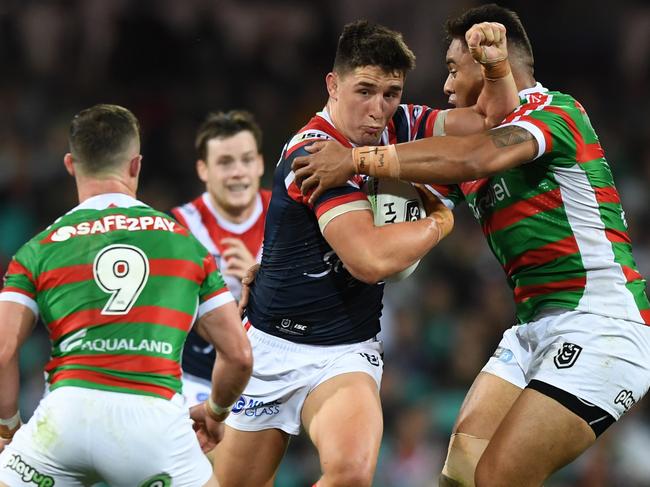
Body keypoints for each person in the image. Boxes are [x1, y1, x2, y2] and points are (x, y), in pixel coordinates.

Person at [292, 5, 650, 487]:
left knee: (499, 477)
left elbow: (476, 156)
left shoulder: (556, 113)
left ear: (488, 66)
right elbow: (397, 214)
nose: (444, 85)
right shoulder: (468, 148)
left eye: (453, 69)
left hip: (603, 324)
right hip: (532, 329)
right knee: (461, 473)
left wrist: (358, 157)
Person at [213, 20, 518, 487]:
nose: (378, 111)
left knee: (351, 475)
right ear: (333, 86)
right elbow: (369, 260)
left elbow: (493, 120)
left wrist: (496, 70)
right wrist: (440, 221)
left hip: (345, 350)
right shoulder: (312, 152)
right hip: (273, 349)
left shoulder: (398, 125)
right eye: (365, 91)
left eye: (391, 93)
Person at [0, 104, 252, 486]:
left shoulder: (39, 247)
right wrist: (215, 412)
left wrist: (9, 426)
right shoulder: (186, 245)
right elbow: (238, 355)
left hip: (65, 418)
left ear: (71, 164)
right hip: (153, 427)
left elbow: (3, 350)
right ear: (135, 165)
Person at [171, 110, 269, 408]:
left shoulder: (287, 217)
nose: (238, 172)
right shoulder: (179, 228)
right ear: (203, 170)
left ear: (260, 164)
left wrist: (262, 278)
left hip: (274, 374)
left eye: (247, 160)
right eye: (225, 162)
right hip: (198, 376)